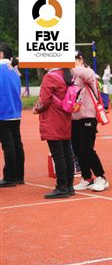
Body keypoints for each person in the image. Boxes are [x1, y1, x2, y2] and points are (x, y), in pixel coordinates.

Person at [32, 68, 74, 199]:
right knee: (67, 152)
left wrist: (36, 109)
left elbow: (44, 100)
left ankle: (61, 187)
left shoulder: (50, 77)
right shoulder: (67, 74)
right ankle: (69, 185)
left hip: (53, 118)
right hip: (65, 118)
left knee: (58, 154)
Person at [72, 51, 109, 192]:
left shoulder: (87, 72)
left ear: (81, 59)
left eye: (74, 59)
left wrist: (67, 66)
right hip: (74, 117)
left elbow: (87, 75)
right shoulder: (69, 75)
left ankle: (101, 177)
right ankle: (86, 177)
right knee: (77, 149)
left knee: (87, 148)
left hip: (88, 116)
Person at [0, 42, 25, 187]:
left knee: (8, 146)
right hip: (15, 111)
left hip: (3, 112)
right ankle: (19, 175)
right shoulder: (14, 69)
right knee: (17, 144)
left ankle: (10, 176)